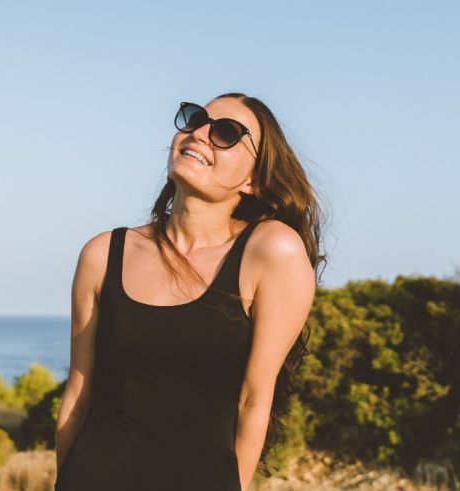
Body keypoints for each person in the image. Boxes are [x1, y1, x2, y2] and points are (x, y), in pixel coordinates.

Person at [53, 92, 325, 491]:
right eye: (195, 119)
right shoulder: (103, 254)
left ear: (253, 179)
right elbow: (78, 394)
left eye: (227, 133)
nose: (199, 133)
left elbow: (253, 403)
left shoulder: (270, 252)